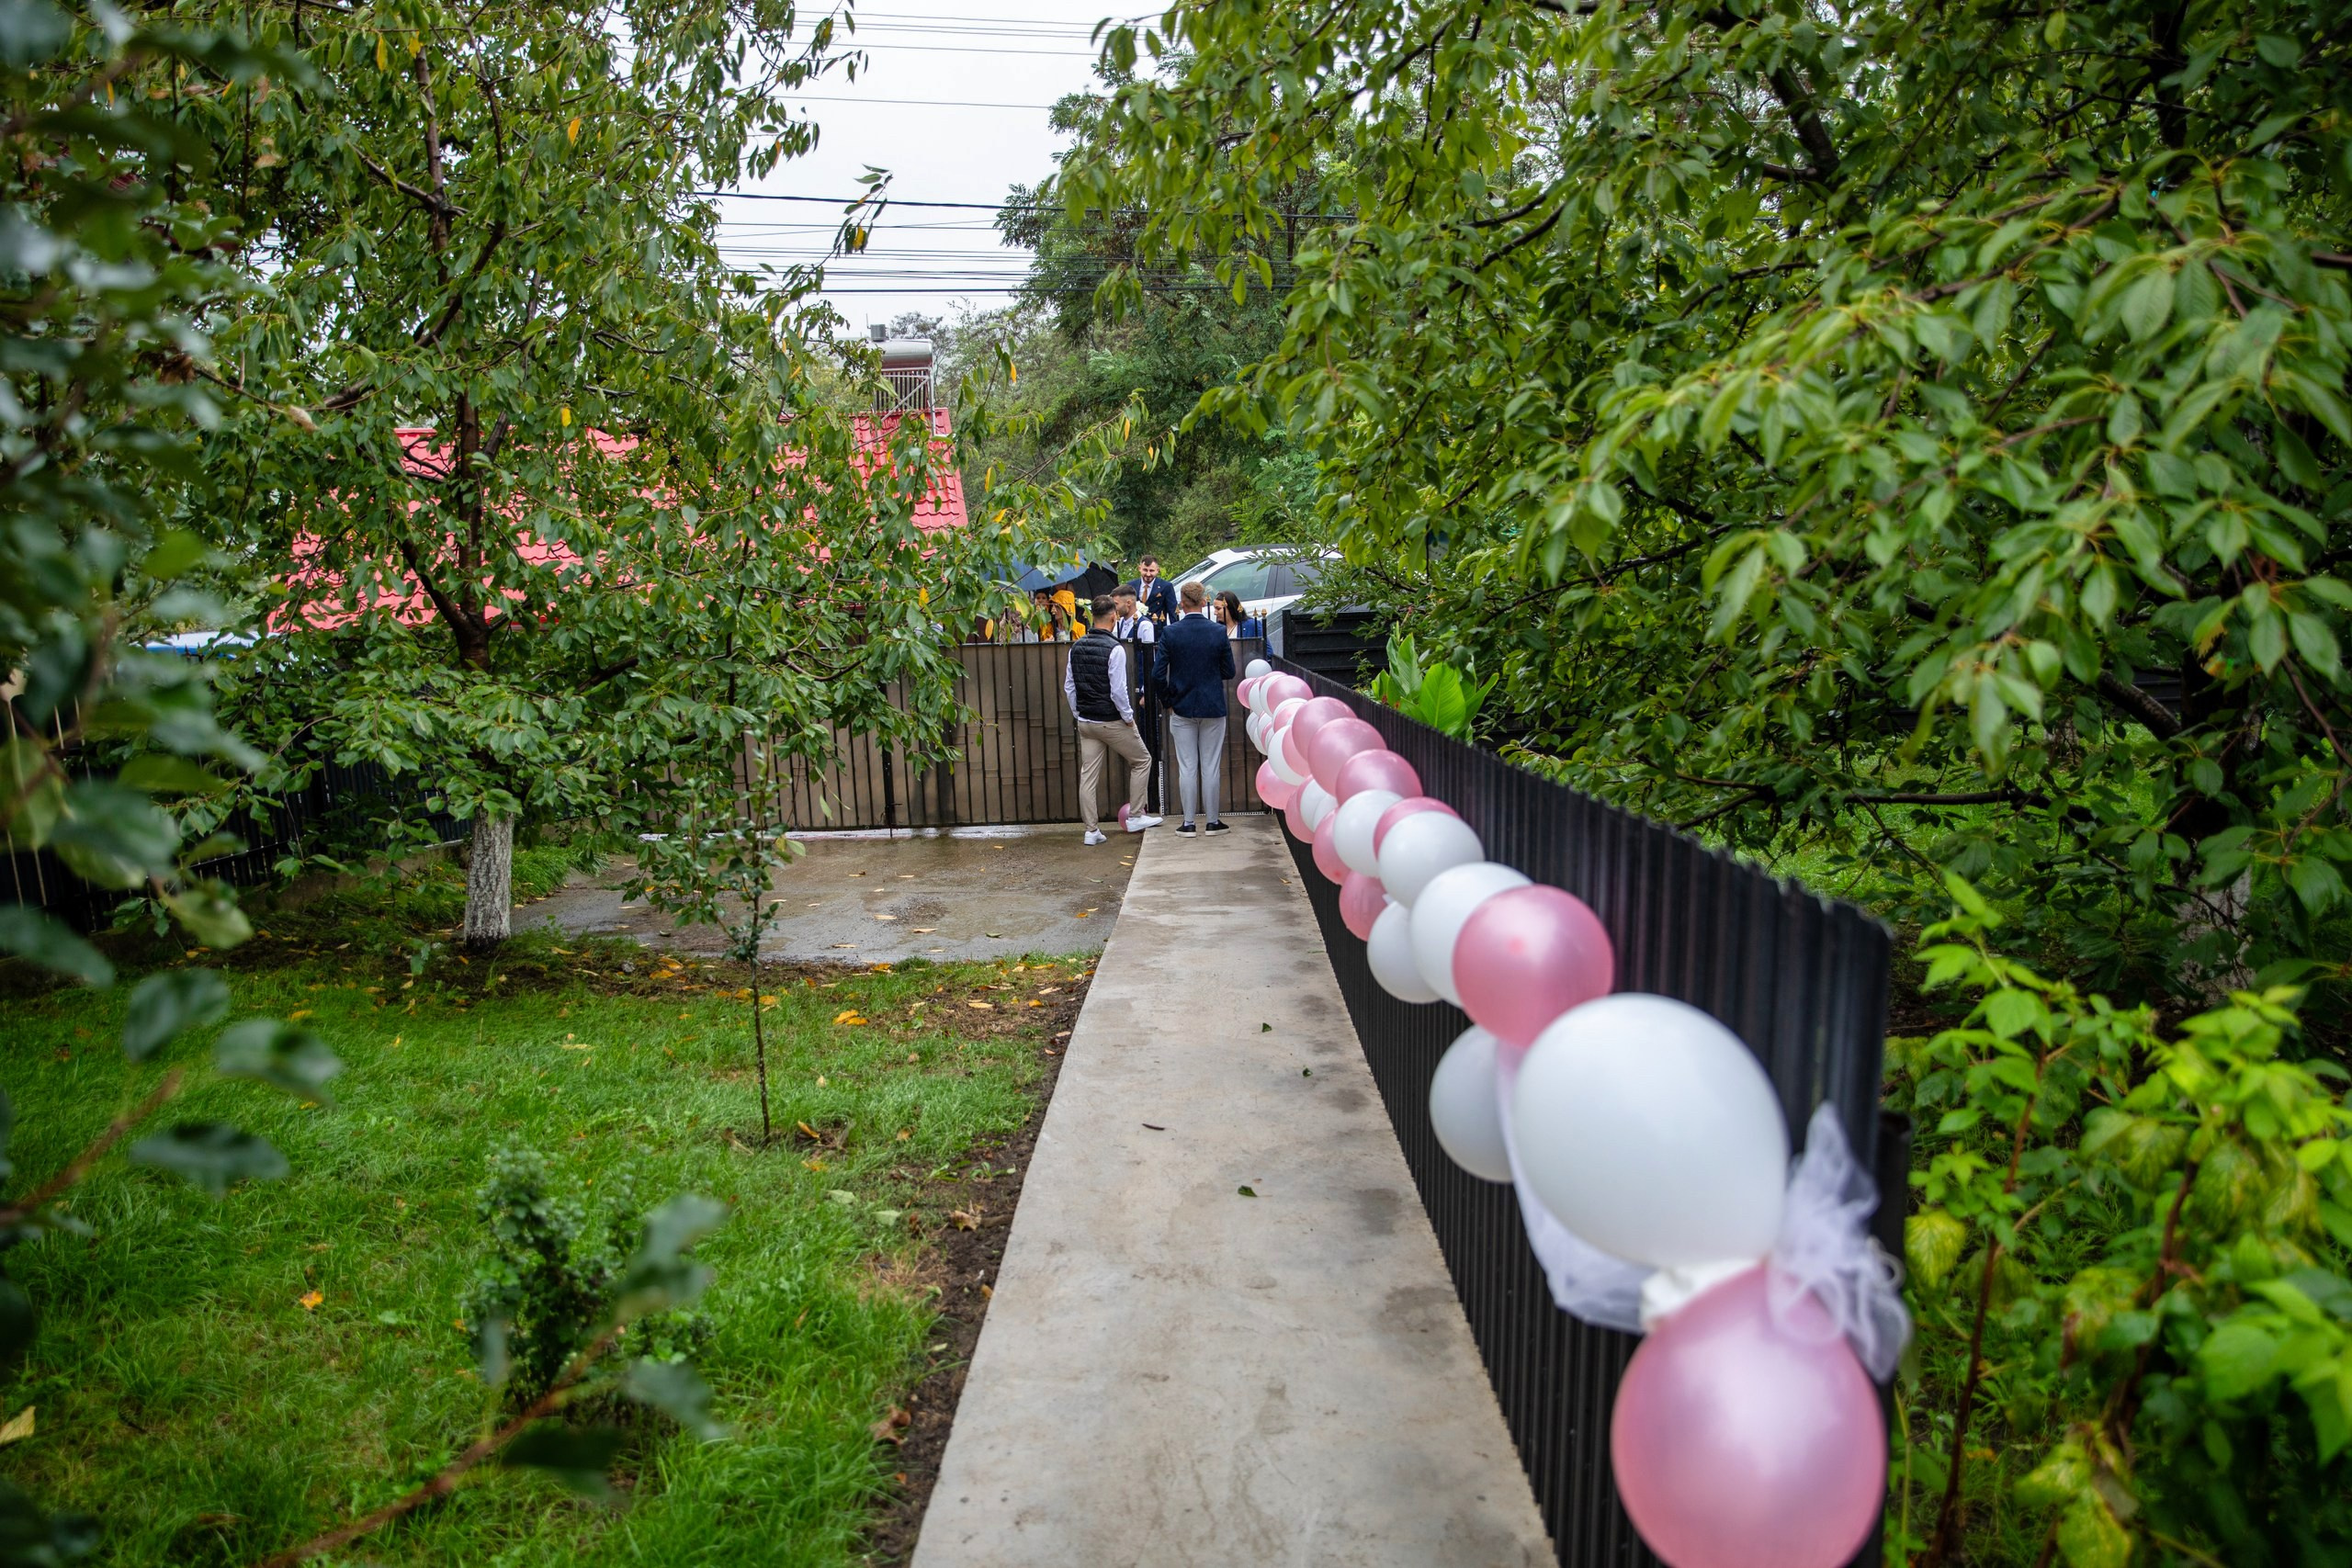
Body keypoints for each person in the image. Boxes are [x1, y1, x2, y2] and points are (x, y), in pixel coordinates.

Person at [1065, 594, 1160, 845]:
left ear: (1092, 617)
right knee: (1142, 760)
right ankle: (1137, 815)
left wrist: (1079, 713)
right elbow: (1118, 691)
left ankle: (1091, 831)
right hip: (1111, 720)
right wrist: (1128, 719)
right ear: (1113, 617)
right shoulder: (1115, 648)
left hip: (1086, 721)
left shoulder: (1076, 646)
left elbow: (1069, 687)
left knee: (1088, 776)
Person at [1151, 580, 1236, 836]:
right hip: (1212, 705)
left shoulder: (1171, 633)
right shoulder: (1218, 632)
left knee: (1187, 766)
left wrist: (1169, 701)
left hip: (1181, 707)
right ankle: (1212, 822)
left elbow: (1157, 675)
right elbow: (1229, 671)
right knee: (1210, 765)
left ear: (1181, 604)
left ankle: (1188, 823)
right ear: (1203, 602)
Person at [1128, 555, 1177, 626]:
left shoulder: (1166, 587)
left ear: (1157, 570)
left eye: (1151, 571)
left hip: (1157, 632)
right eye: (1145, 570)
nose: (1148, 574)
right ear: (1139, 569)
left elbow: (1173, 613)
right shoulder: (1131, 586)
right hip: (1135, 630)